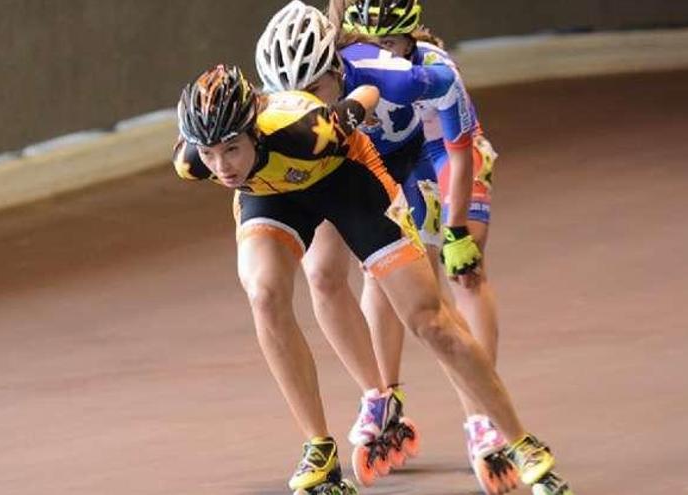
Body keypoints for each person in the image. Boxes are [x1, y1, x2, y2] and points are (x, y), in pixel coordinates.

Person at [174, 63, 561, 494]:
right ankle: (318, 448)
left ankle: (523, 443)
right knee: (263, 294)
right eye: (210, 154)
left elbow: (370, 93)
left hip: (347, 180)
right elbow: (217, 159)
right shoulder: (193, 161)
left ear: (254, 131)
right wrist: (221, 157)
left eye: (230, 149)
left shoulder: (306, 129)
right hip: (270, 197)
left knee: (429, 321)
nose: (221, 166)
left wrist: (361, 111)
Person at [337, 1, 530, 493]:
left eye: (393, 46)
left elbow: (459, 152)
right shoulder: (341, 60)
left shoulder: (436, 71)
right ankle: (386, 396)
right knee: (383, 268)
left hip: (441, 148)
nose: (383, 56)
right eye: (373, 47)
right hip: (389, 156)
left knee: (464, 270)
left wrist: (458, 229)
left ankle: (481, 414)